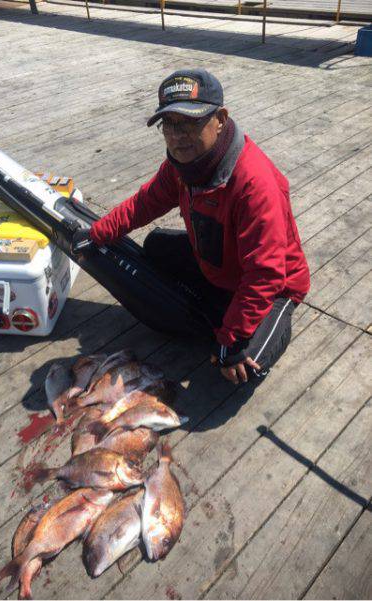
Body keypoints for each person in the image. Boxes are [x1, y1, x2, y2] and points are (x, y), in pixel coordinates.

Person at [72, 68, 310, 385]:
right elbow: (145, 203)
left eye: (190, 122)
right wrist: (97, 233)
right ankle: (222, 310)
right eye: (169, 124)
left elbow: (265, 274)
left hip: (275, 286)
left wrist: (231, 339)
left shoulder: (255, 185)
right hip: (223, 261)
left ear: (221, 119)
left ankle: (237, 322)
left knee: (242, 370)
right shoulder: (183, 165)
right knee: (156, 245)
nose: (177, 136)